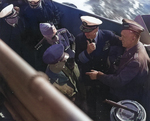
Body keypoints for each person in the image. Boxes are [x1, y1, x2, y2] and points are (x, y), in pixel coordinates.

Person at [86, 18, 149, 112]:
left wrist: (99, 75)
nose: (120, 38)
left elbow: (117, 82)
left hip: (125, 93)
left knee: (94, 92)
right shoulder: (138, 45)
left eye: (123, 36)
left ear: (133, 38)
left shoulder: (135, 61)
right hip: (127, 83)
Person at [75, 15, 123, 119]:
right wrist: (87, 52)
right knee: (90, 100)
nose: (85, 33)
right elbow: (78, 60)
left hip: (104, 73)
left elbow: (121, 43)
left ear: (96, 29)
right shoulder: (80, 39)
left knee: (104, 95)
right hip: (89, 76)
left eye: (88, 31)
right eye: (84, 30)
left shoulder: (107, 35)